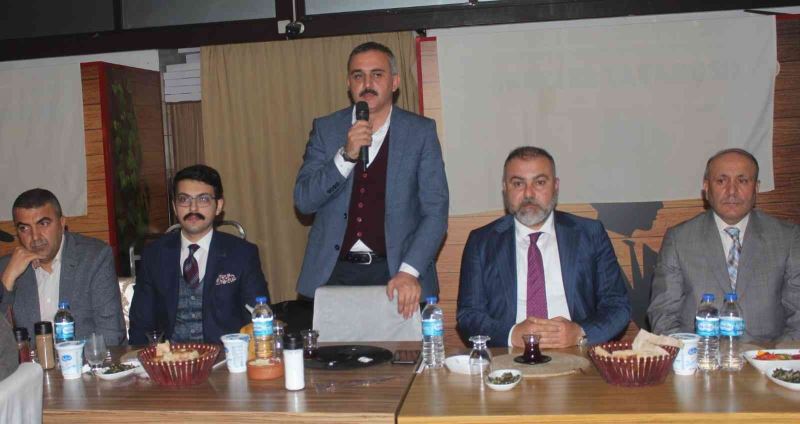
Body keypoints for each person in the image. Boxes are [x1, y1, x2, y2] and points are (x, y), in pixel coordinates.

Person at [293, 41, 449, 319]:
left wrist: (409, 271)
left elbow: (435, 212)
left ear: (395, 82)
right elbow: (304, 201)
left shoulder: (420, 132)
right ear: (348, 84)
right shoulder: (326, 129)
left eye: (377, 74)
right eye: (358, 76)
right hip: (334, 273)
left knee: (401, 349)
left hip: (397, 273)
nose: (367, 84)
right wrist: (345, 155)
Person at [457, 146, 631, 348]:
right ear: (505, 188)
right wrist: (511, 335)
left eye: (539, 182)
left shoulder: (589, 234)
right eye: (518, 183)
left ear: (555, 186)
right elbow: (469, 315)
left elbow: (618, 306)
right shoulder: (481, 242)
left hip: (577, 353)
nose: (528, 193)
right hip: (509, 356)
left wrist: (580, 333)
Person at [648, 148, 800, 343]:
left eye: (742, 181)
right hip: (700, 357)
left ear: (756, 188)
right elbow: (663, 315)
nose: (732, 191)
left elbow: (798, 316)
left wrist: (772, 356)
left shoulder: (787, 238)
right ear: (706, 187)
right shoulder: (679, 239)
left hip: (769, 356)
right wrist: (694, 354)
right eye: (721, 181)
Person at [129, 165, 269, 345]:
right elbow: (141, 325)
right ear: (174, 206)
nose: (193, 207)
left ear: (218, 206)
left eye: (203, 199)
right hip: (170, 358)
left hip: (226, 357)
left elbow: (259, 320)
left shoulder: (242, 254)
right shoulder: (154, 255)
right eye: (184, 199)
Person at [0, 189, 125, 345]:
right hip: (31, 361)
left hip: (85, 359)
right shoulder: (8, 267)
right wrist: (7, 280)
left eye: (43, 224)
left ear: (62, 223)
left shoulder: (94, 258)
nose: (35, 237)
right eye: (24, 228)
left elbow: (111, 335)